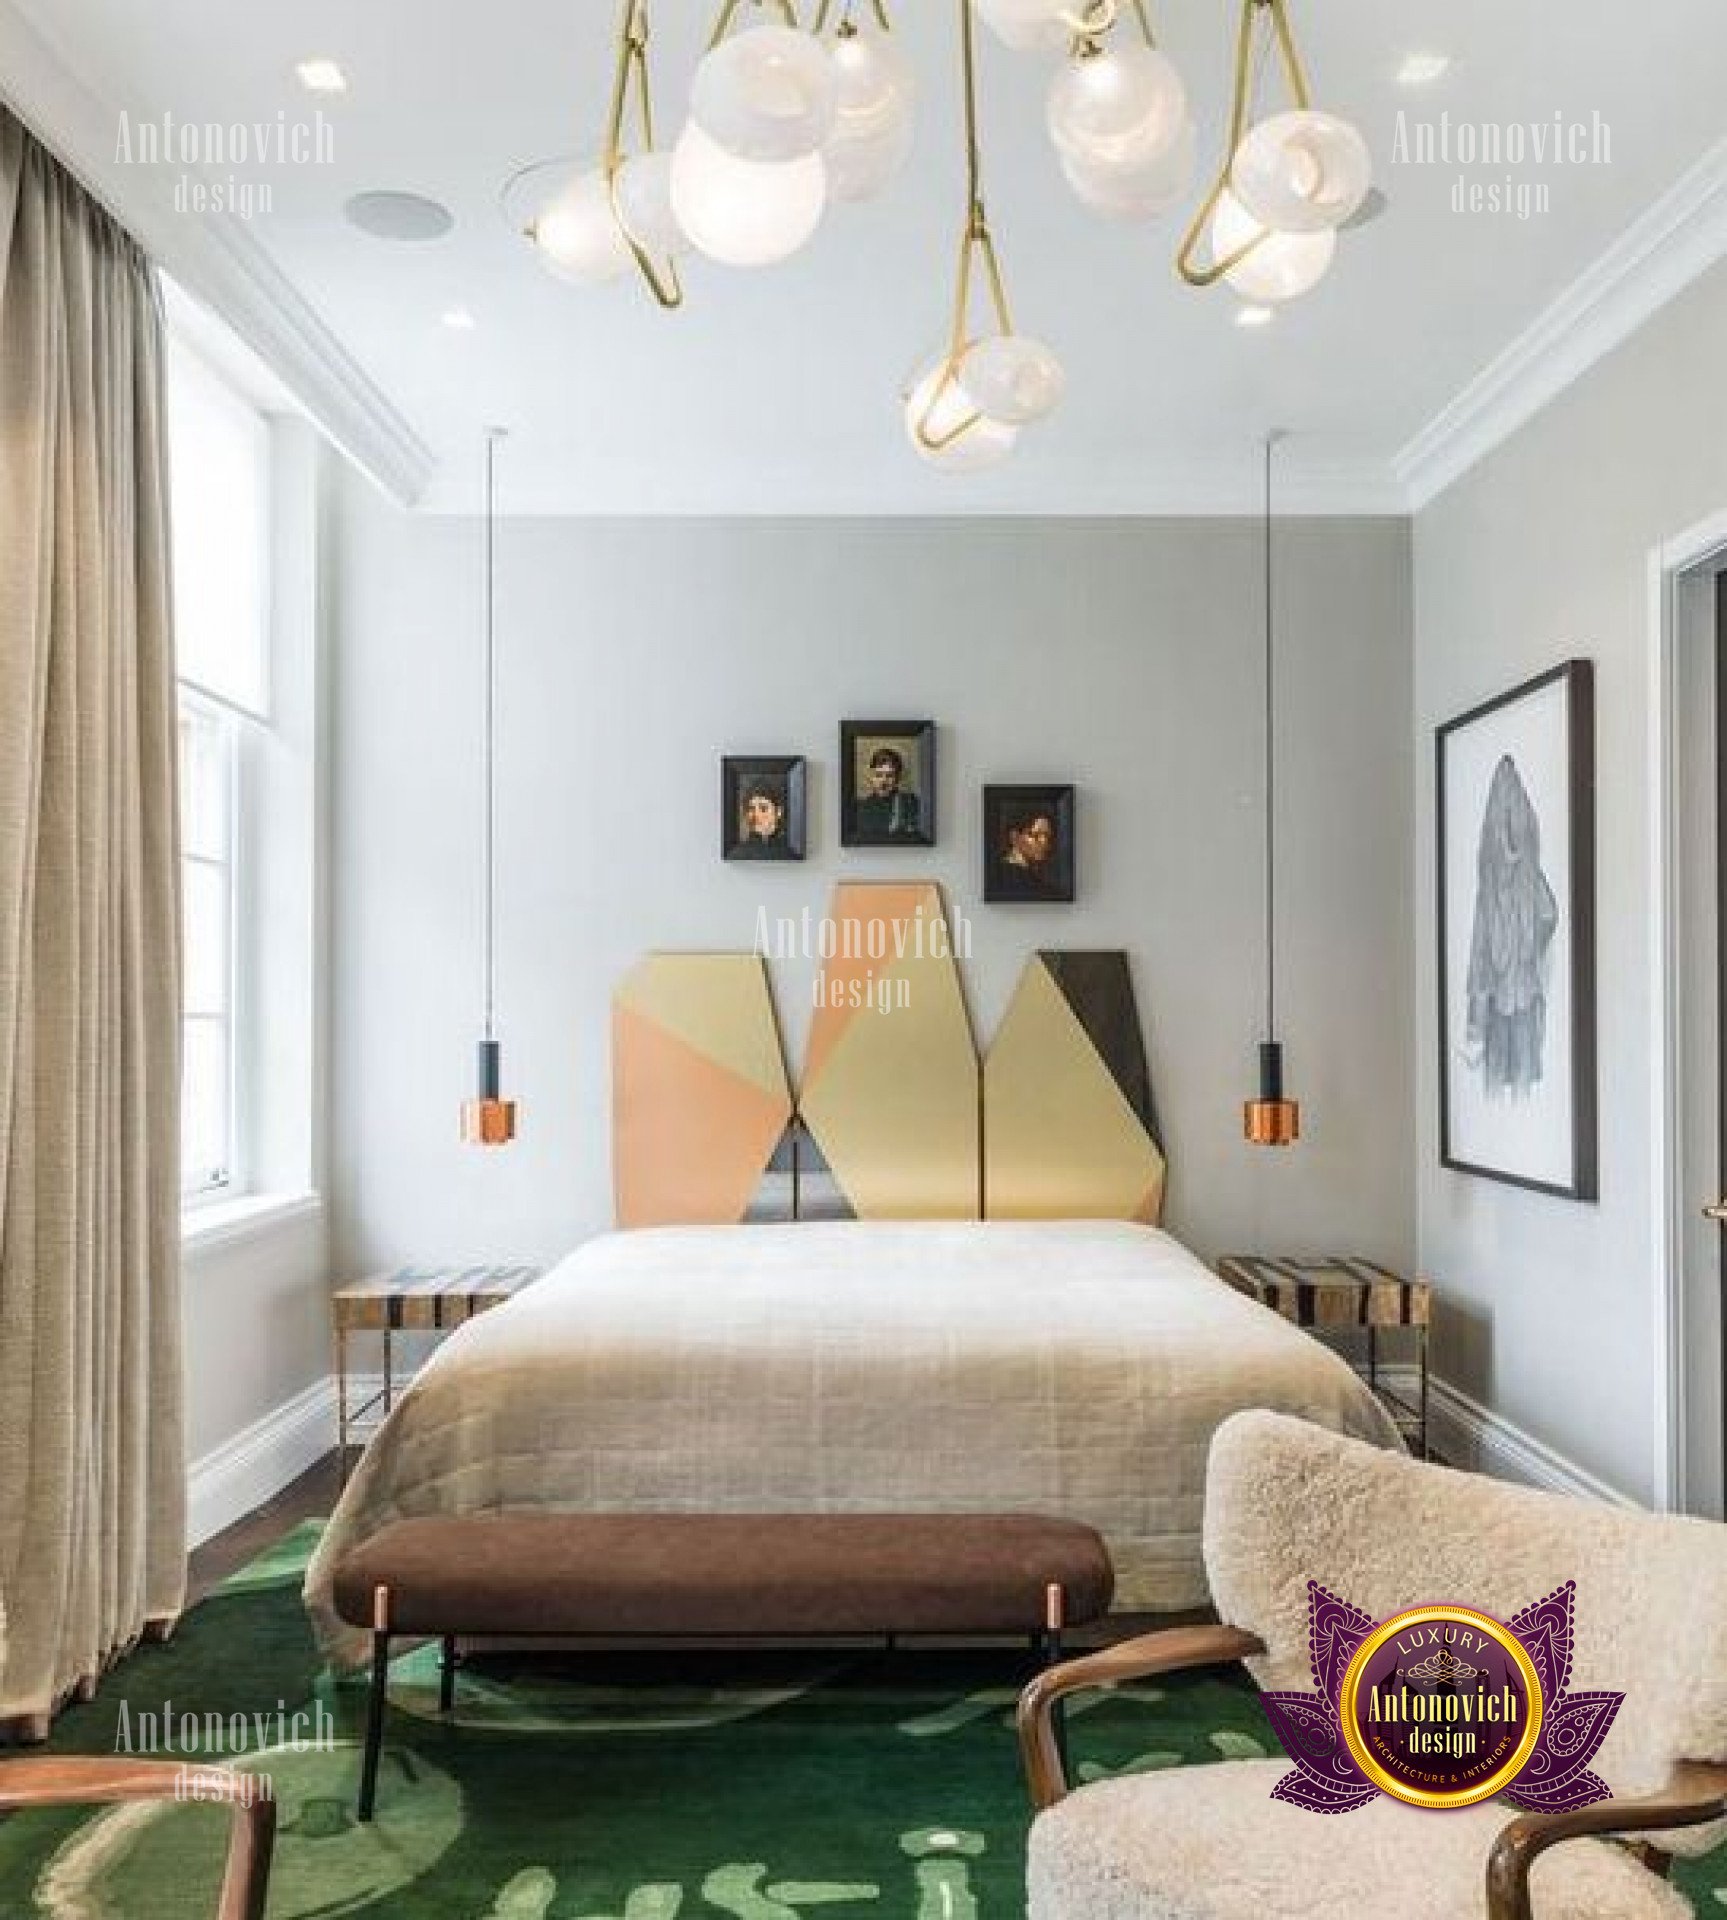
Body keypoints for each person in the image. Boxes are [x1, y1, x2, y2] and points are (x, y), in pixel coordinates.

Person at [990, 803, 1058, 899]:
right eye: (1036, 835)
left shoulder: (1034, 878)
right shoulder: (1004, 878)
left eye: (1047, 836)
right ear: (1015, 837)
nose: (1044, 842)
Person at [853, 746, 922, 840]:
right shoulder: (860, 808)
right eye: (878, 775)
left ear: (897, 778)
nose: (883, 781)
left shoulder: (911, 804)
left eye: (889, 776)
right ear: (871, 777)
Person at [734, 777, 790, 858]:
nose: (755, 815)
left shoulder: (787, 847)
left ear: (778, 811)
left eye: (763, 809)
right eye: (751, 808)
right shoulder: (742, 850)